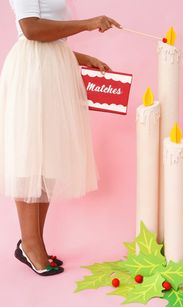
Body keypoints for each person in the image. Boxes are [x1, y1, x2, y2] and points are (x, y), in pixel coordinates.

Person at [0, 0, 121, 276]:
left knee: (46, 160)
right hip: (33, 77)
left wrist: (81, 58)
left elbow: (50, 38)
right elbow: (30, 30)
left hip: (50, 75)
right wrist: (88, 24)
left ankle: (33, 243)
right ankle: (31, 245)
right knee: (31, 157)